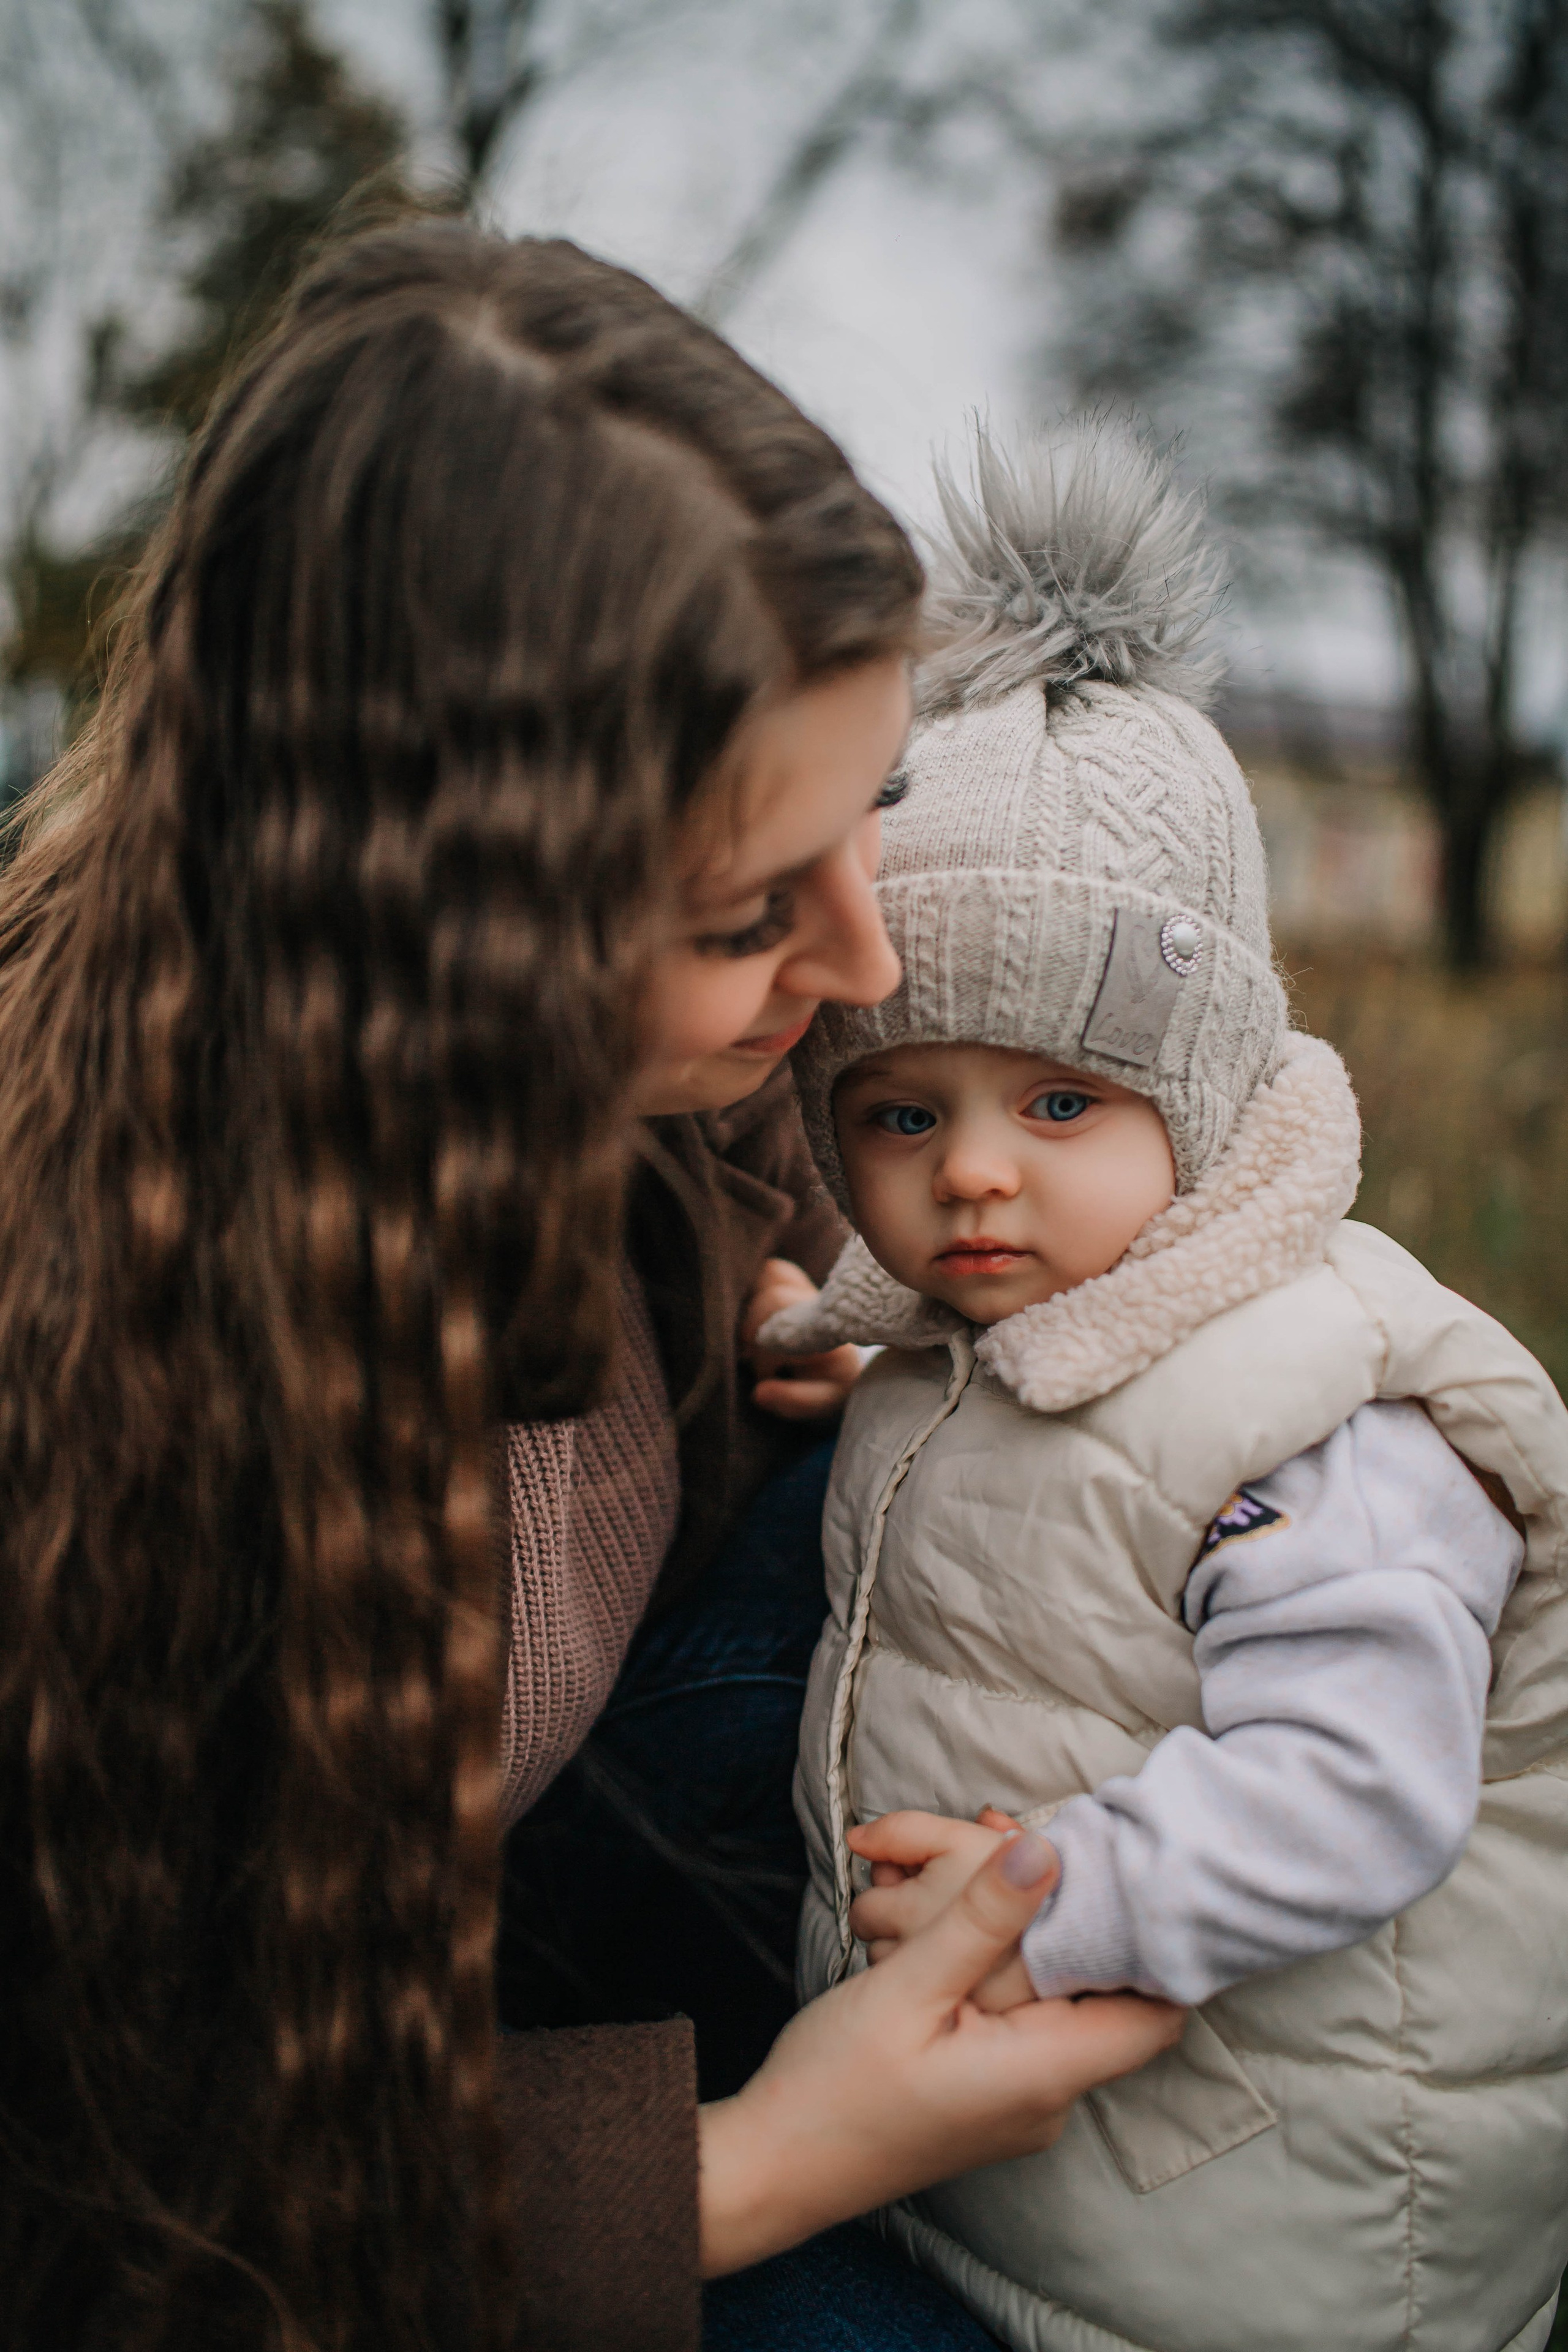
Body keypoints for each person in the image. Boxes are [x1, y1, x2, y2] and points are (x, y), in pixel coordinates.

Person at [0, 225, 1180, 2352]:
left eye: (878, 809)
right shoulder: (92, 1374)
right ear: (435, 927)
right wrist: (767, 2161)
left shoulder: (694, 1100)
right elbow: (102, 2200)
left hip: (607, 1932)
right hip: (369, 2183)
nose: (865, 963)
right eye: (742, 915)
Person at [761, 422, 1568, 2352]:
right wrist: (849, 1354)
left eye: (1061, 1103)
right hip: (1029, 2183)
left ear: (1193, 1105)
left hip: (1271, 2232)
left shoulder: (1318, 1414)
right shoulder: (999, 1327)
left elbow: (1359, 1781)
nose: (974, 1173)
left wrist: (1059, 1900)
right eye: (902, 1112)